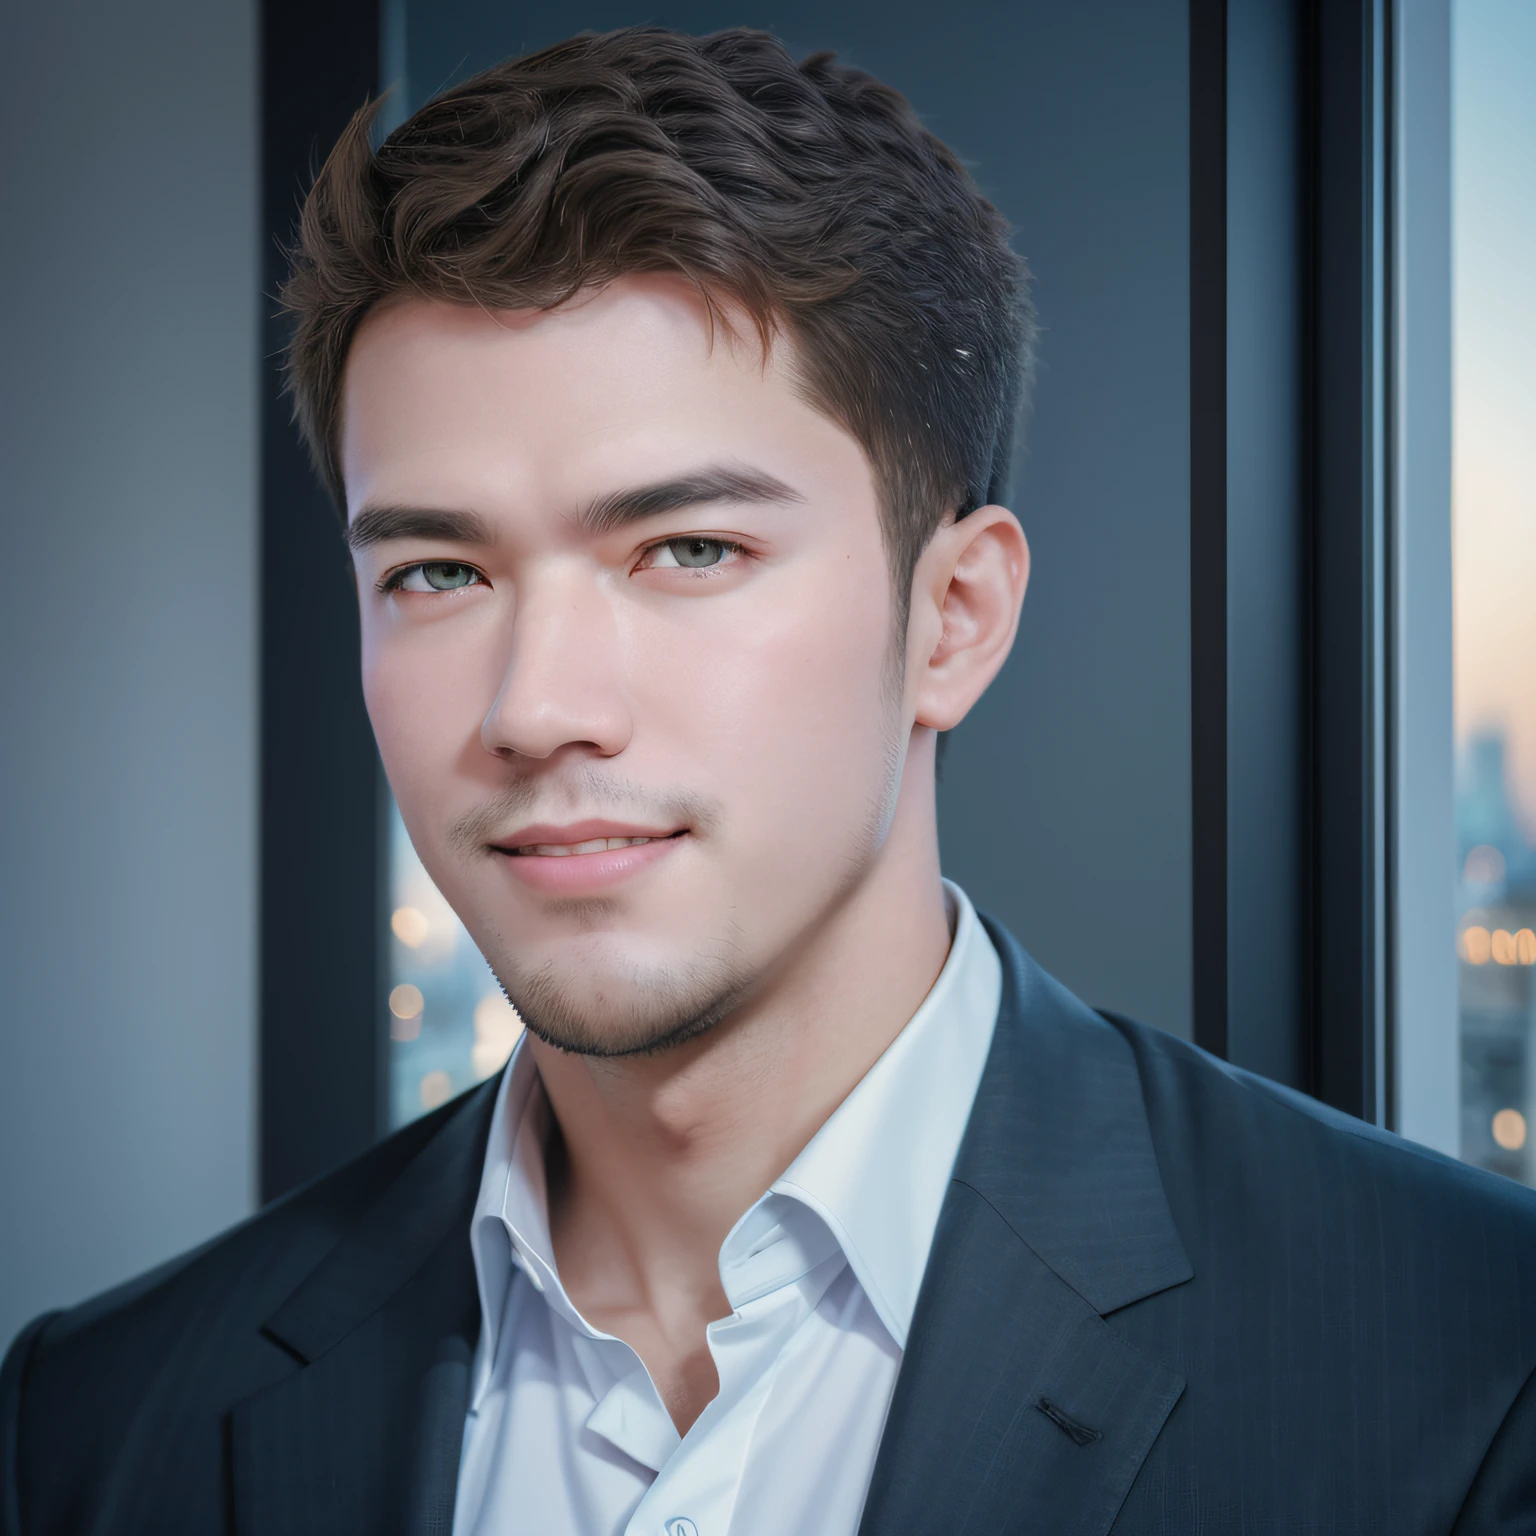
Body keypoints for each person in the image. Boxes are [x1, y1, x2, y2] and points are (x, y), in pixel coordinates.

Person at [4, 23, 1534, 1536]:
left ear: (953, 621)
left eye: (687, 550)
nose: (537, 707)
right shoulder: (96, 1422)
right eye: (438, 571)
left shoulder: (1467, 1366)